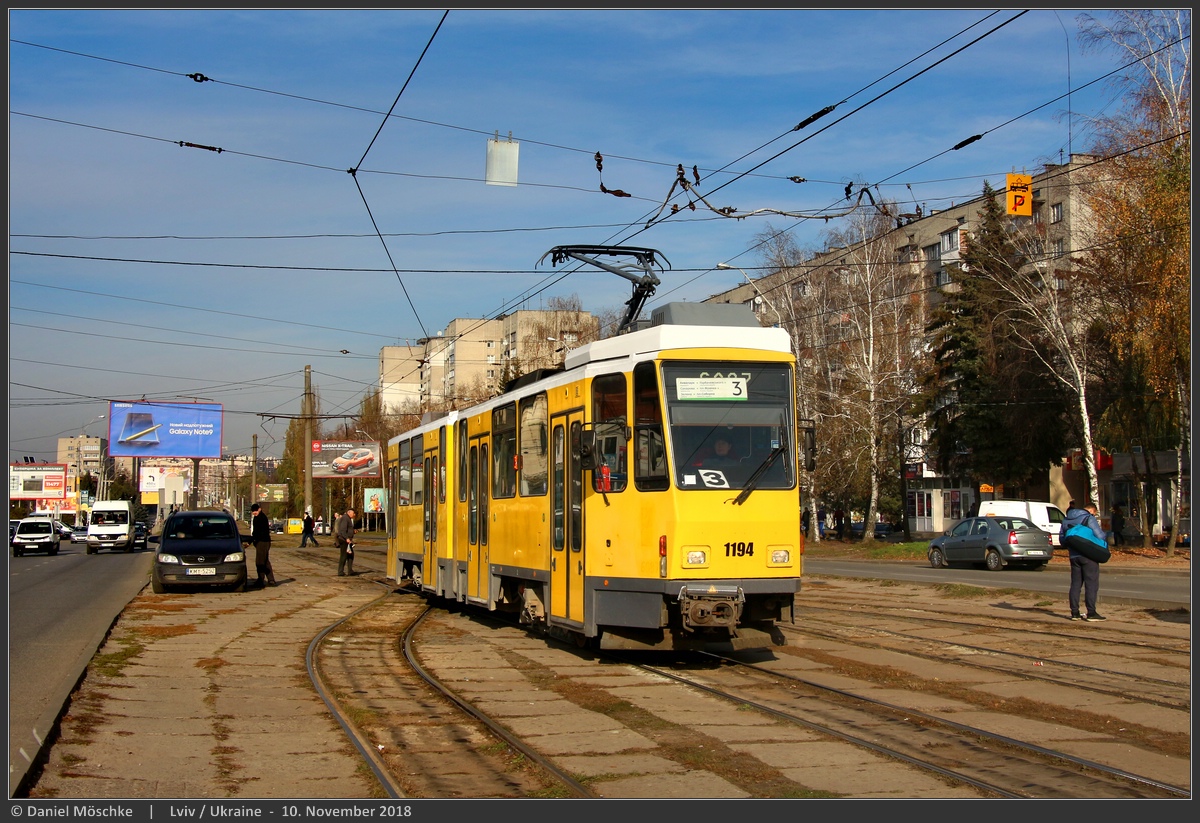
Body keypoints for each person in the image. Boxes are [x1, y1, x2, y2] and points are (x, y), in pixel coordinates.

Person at [1060, 500, 1107, 621]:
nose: (1094, 515)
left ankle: (1075, 612)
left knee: (1075, 584)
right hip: (1088, 555)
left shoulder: (1066, 519)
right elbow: (1100, 536)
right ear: (1091, 510)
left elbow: (1062, 540)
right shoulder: (1088, 518)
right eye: (1094, 513)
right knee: (1091, 584)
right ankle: (1091, 612)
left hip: (1073, 556)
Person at [249, 503, 276, 588]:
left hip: (262, 542)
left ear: (259, 509)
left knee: (260, 562)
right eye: (253, 511)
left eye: (255, 511)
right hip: (264, 542)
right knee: (265, 561)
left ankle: (261, 580)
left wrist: (251, 541)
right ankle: (271, 580)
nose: (254, 513)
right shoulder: (260, 517)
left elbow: (257, 532)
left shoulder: (259, 518)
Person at [334, 507, 357, 577]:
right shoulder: (345, 518)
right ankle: (340, 571)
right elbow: (343, 530)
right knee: (344, 555)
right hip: (344, 540)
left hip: (346, 540)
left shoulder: (348, 518)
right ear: (349, 512)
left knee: (350, 555)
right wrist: (347, 538)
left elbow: (347, 529)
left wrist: (353, 531)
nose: (354, 515)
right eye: (353, 513)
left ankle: (350, 570)